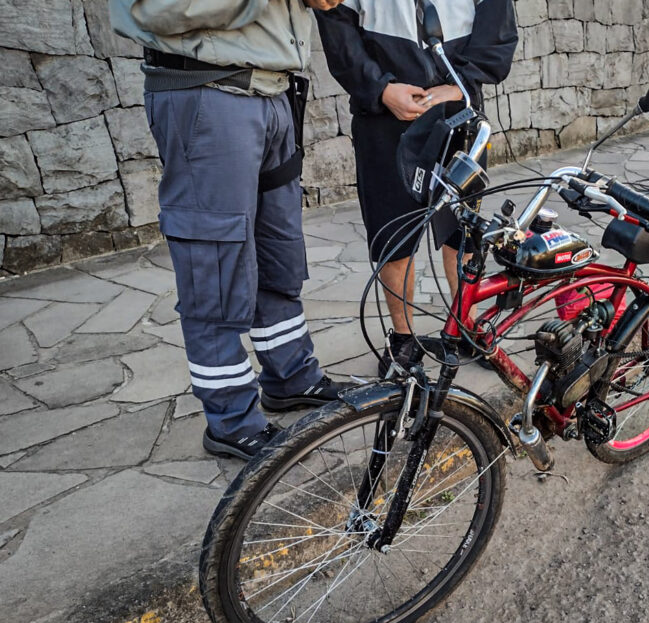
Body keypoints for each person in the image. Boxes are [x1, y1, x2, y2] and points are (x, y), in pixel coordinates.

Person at [110, 0, 355, 460]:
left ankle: (290, 376)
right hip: (207, 93)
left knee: (278, 251)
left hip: (273, 93)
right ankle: (231, 421)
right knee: (214, 265)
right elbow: (153, 8)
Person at [316, 0, 517, 376]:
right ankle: (403, 338)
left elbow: (498, 29)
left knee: (464, 227)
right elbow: (336, 23)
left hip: (460, 110)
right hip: (383, 115)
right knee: (393, 228)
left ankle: (465, 323)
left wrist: (458, 86)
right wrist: (381, 90)